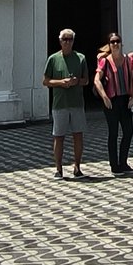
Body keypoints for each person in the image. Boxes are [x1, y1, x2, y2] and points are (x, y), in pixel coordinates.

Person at [42, 29, 88, 178]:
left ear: (73, 41)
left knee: (78, 135)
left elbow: (86, 80)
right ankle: (58, 168)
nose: (67, 42)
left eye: (70, 39)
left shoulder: (80, 58)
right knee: (58, 136)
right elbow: (46, 81)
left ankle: (77, 167)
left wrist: (76, 81)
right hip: (60, 104)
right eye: (64, 39)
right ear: (60, 41)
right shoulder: (53, 59)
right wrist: (61, 82)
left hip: (77, 103)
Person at [94, 34, 133, 176]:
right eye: (112, 42)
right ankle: (114, 165)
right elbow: (96, 80)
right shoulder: (104, 61)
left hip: (125, 100)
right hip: (111, 101)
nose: (115, 44)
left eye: (118, 41)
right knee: (113, 133)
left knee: (128, 131)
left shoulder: (128, 60)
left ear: (121, 43)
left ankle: (123, 162)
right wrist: (104, 97)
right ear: (109, 44)